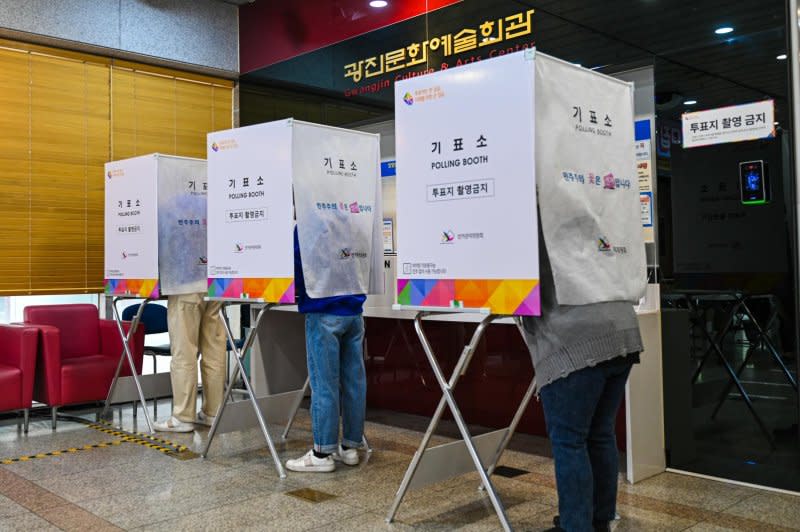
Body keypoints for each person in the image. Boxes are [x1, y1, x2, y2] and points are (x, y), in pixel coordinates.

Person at [521, 236, 643, 532]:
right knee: (600, 433)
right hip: (621, 330)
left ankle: (576, 526)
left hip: (574, 337)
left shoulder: (530, 218)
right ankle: (599, 520)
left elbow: (519, 290)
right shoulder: (585, 205)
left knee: (569, 440)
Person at [286, 227, 367, 472]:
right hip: (354, 311)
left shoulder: (311, 223)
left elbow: (297, 264)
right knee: (354, 381)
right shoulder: (351, 220)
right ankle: (350, 447)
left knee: (324, 383)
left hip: (323, 311)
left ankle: (322, 453)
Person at [153, 293, 226, 432]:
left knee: (184, 351)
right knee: (213, 352)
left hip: (185, 285)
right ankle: (212, 413)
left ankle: (183, 417)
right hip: (214, 284)